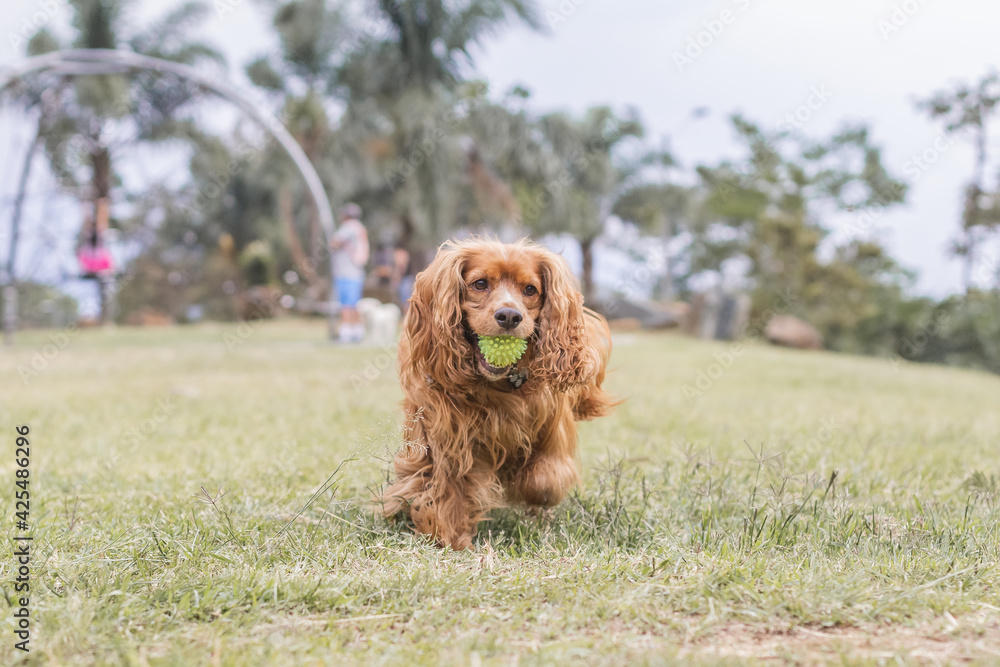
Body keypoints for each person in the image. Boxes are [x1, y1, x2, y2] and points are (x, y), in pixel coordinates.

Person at [329, 203, 369, 343]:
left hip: (346, 272)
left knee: (346, 303)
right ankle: (357, 330)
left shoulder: (350, 227)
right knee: (354, 303)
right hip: (356, 272)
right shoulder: (360, 228)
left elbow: (334, 241)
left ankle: (346, 332)